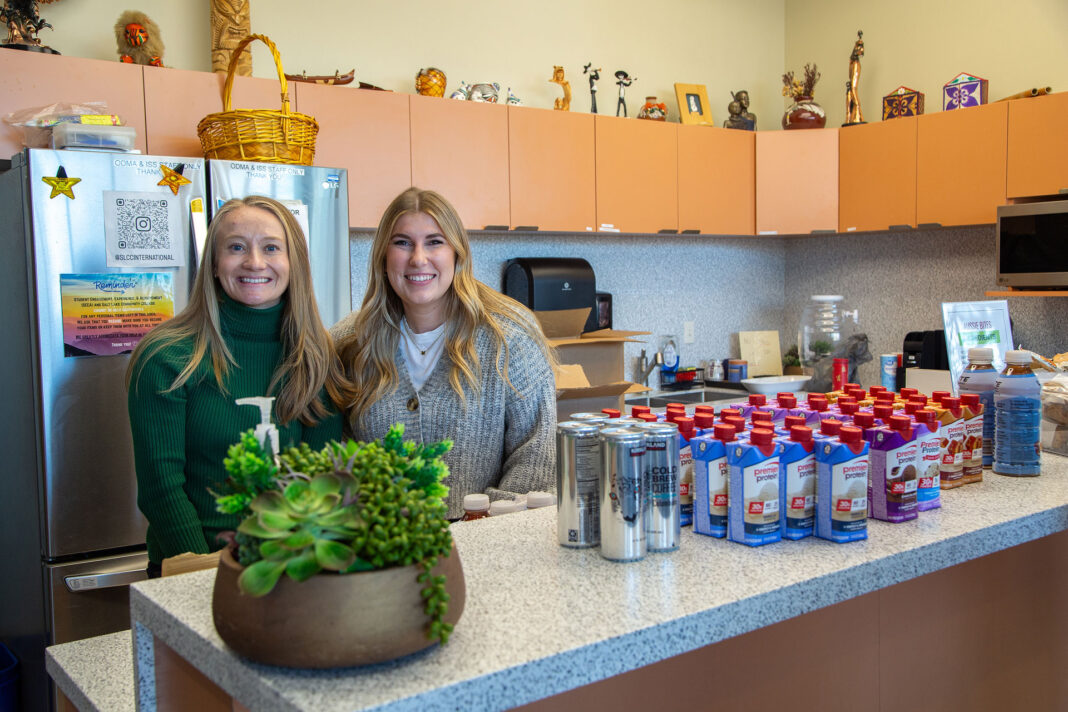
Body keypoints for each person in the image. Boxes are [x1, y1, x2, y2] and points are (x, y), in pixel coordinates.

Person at [127, 195, 351, 577]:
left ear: (293, 263)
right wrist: (203, 571)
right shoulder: (167, 356)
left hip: (290, 565)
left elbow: (320, 479)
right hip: (193, 565)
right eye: (236, 247)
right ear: (215, 265)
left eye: (271, 248)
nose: (254, 262)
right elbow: (161, 488)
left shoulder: (316, 357)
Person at [333, 188, 557, 520]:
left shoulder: (509, 338)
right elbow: (337, 457)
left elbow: (536, 458)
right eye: (402, 242)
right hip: (379, 553)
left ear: (457, 253)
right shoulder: (350, 342)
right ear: (383, 255)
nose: (418, 258)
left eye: (434, 242)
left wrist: (479, 531)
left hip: (485, 551)